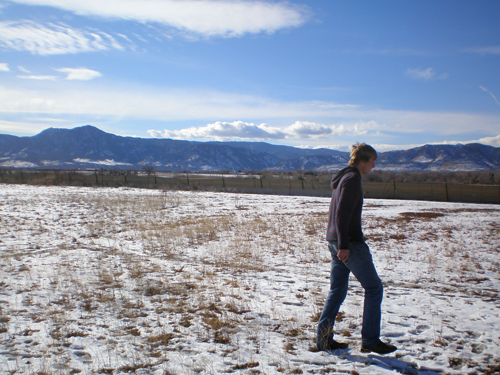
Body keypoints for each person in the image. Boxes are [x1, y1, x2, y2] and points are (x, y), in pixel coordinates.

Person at [316, 143, 397, 355]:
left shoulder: (343, 177)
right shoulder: (352, 180)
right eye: (372, 161)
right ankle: (370, 340)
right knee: (374, 288)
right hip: (348, 244)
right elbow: (342, 214)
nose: (374, 165)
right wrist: (344, 245)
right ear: (362, 160)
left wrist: (338, 244)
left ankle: (323, 339)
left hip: (336, 241)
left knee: (337, 291)